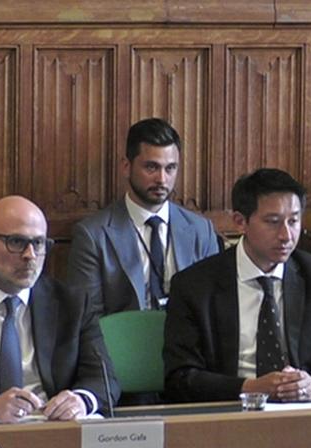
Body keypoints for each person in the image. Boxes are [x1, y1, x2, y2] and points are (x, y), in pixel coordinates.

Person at [0, 196, 120, 422]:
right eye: (16, 242)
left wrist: (81, 400)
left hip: (57, 431)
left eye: (38, 243)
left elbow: (105, 379)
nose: (30, 255)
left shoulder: (71, 303)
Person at [164, 168, 311, 403]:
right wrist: (250, 387)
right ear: (240, 222)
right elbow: (181, 376)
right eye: (273, 222)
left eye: (293, 221)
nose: (286, 235)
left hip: (300, 410)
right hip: (227, 412)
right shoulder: (194, 285)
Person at [66, 118, 220, 317]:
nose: (162, 179)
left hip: (186, 343)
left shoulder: (202, 231)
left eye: (170, 168)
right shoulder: (93, 235)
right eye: (151, 167)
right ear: (126, 166)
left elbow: (214, 306)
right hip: (122, 345)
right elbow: (87, 319)